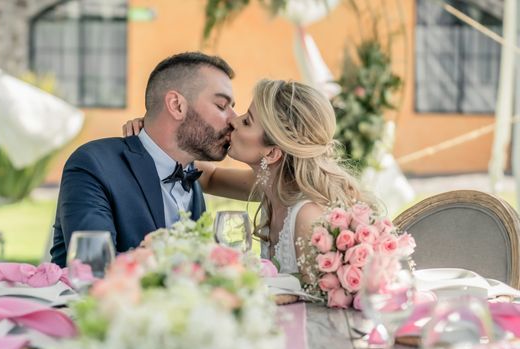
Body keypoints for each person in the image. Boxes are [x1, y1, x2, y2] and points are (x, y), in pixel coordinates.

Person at [125, 79, 375, 282]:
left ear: (273, 152)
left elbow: (320, 306)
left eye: (246, 121)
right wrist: (157, 134)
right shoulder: (273, 186)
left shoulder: (307, 217)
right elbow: (208, 178)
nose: (233, 121)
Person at [50, 52, 236, 267]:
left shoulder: (192, 175)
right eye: (222, 106)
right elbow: (94, 266)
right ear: (176, 105)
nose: (233, 119)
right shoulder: (94, 164)